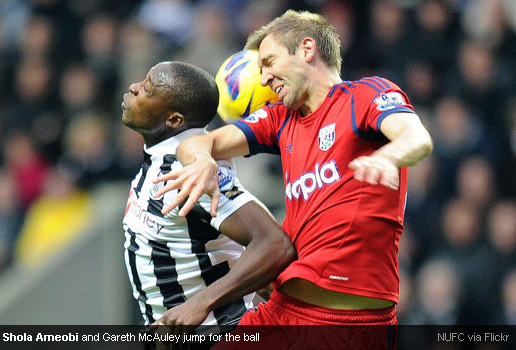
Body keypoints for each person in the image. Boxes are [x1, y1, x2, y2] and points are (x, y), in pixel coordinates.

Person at [155, 10, 433, 329]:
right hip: (284, 311)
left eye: (269, 63)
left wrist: (388, 156)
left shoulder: (365, 95)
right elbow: (193, 144)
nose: (263, 80)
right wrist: (203, 159)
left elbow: (416, 136)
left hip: (352, 323)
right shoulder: (279, 119)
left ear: (306, 49)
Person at [121, 61, 295, 338]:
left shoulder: (189, 172)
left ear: (175, 120)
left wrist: (202, 303)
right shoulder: (164, 157)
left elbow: (274, 244)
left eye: (147, 88)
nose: (134, 88)